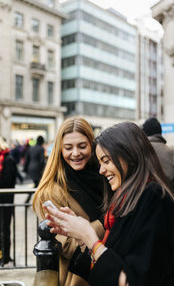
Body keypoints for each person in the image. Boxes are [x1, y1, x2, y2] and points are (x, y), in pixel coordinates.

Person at [43, 122, 174, 286]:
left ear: (129, 155)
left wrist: (89, 236)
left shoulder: (152, 197)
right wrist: (81, 237)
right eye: (100, 162)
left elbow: (130, 280)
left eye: (106, 161)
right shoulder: (131, 198)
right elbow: (116, 262)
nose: (101, 170)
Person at [32, 118, 105, 286]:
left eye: (82, 146)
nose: (75, 153)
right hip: (80, 277)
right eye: (68, 148)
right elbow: (67, 246)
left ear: (92, 146)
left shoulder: (105, 175)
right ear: (59, 149)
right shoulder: (51, 191)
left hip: (112, 268)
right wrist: (105, 223)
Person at [142, 117, 174, 242]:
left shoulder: (139, 153)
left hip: (144, 218)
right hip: (172, 219)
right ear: (160, 133)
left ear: (144, 133)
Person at [0, 137, 17, 266]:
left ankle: (5, 257)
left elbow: (7, 182)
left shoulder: (8, 159)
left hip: (5, 202)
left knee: (4, 229)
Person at [24, 135, 46, 203]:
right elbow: (42, 160)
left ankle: (29, 199)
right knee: (39, 185)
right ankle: (40, 201)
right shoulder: (41, 148)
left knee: (37, 184)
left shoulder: (31, 148)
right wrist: (45, 168)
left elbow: (27, 159)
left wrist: (25, 169)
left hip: (31, 168)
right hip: (38, 169)